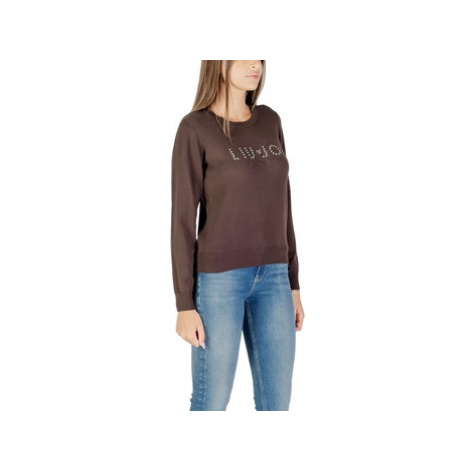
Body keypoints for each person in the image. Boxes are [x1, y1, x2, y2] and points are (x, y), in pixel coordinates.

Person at [170, 60, 305, 411]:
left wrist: (293, 283)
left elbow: (284, 204)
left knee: (277, 405)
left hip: (274, 279)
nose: (255, 63)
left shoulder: (270, 121)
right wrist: (184, 304)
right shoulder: (195, 128)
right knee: (211, 402)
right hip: (219, 282)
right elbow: (182, 221)